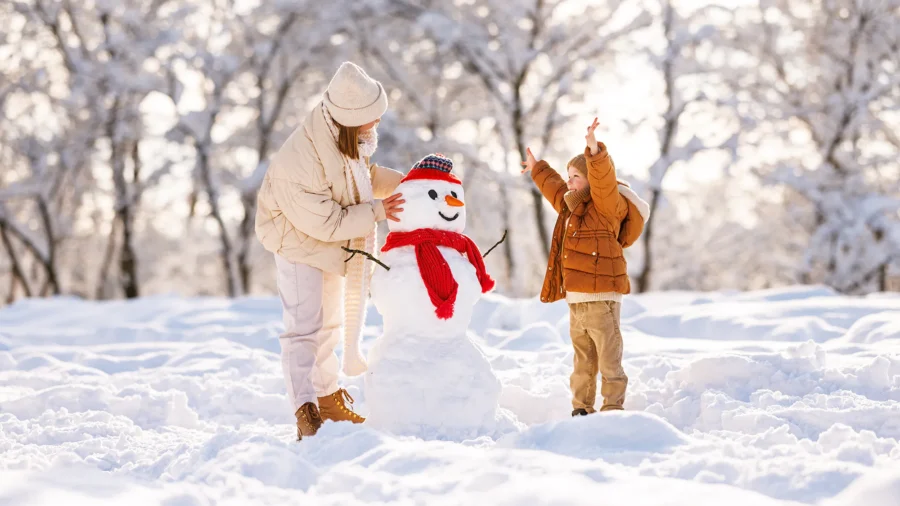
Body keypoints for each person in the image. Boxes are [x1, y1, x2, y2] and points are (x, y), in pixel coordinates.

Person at [255, 62, 405, 439]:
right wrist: (378, 212)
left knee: (331, 323)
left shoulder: (344, 138)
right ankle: (305, 408)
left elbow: (362, 179)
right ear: (354, 119)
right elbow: (329, 222)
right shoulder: (302, 160)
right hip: (296, 240)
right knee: (305, 327)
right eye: (373, 119)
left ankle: (327, 398)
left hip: (327, 240)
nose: (377, 125)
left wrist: (412, 183)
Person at [521, 118, 650, 415]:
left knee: (608, 357)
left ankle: (613, 407)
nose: (570, 181)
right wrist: (538, 167)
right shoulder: (571, 207)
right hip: (576, 300)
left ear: (592, 179)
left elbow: (603, 178)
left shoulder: (606, 206)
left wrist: (593, 150)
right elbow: (555, 188)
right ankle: (581, 409)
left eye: (576, 175)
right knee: (582, 362)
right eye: (569, 175)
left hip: (602, 298)